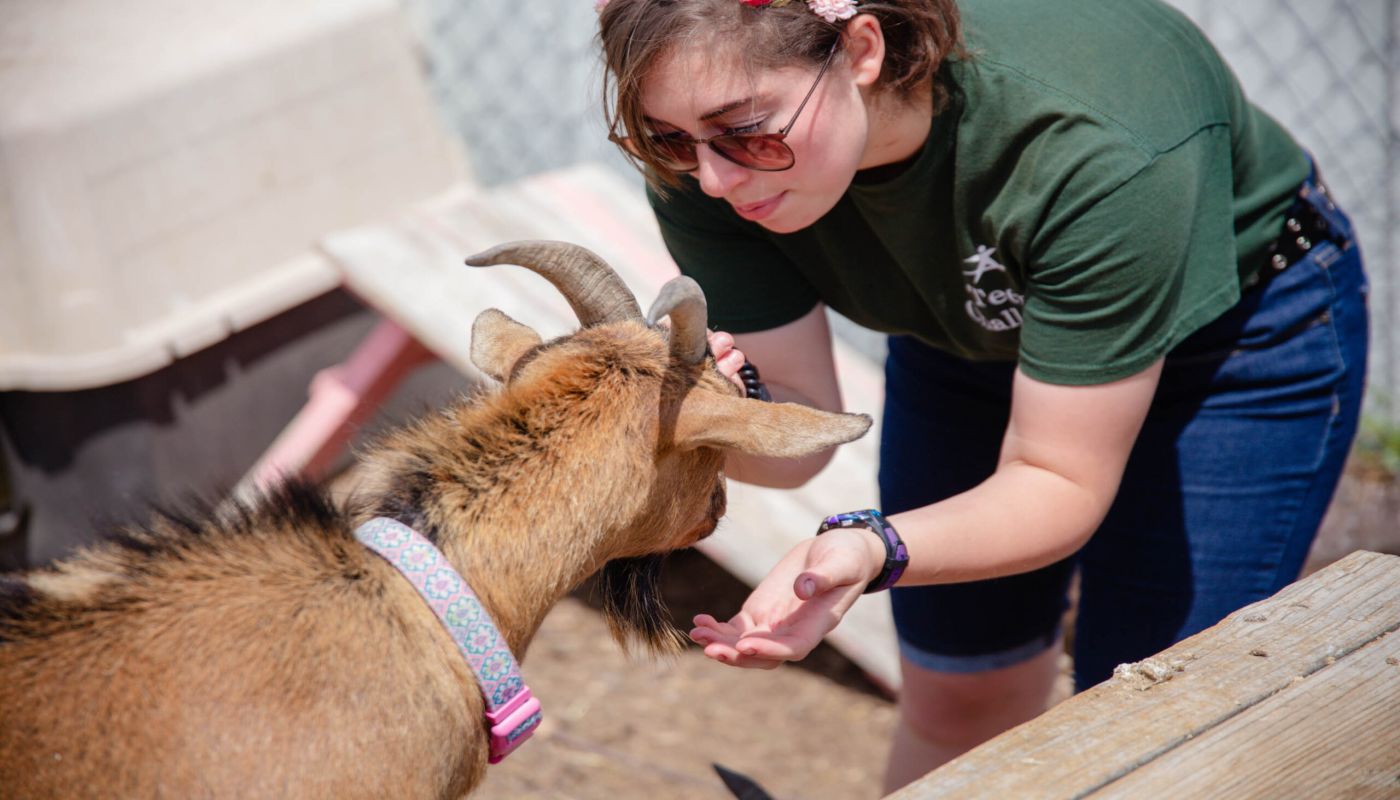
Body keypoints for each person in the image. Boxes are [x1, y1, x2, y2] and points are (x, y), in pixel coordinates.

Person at [596, 0, 1370, 791]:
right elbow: (800, 426)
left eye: (749, 131)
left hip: (1227, 344)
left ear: (862, 51)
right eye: (667, 139)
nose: (718, 178)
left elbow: (1057, 481)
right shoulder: (701, 164)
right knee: (959, 700)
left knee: (1150, 720)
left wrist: (874, 545)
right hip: (966, 335)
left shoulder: (1088, 149)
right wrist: (702, 420)